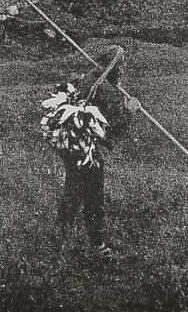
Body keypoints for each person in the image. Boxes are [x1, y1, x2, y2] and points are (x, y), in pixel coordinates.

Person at [54, 45, 141, 259]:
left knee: (73, 190)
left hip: (72, 146)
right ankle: (98, 246)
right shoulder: (108, 93)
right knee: (93, 196)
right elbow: (109, 131)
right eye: (121, 64)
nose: (124, 69)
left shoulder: (88, 80)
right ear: (113, 67)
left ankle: (61, 238)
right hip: (88, 151)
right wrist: (129, 112)